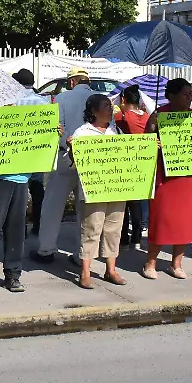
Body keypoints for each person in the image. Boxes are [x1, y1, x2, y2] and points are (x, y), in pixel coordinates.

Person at [0, 69, 49, 295]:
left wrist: (53, 132)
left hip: (21, 179)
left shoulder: (22, 115)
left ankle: (13, 274)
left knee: (16, 230)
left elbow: (40, 137)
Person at [142, 78, 192, 279]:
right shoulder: (158, 116)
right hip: (166, 178)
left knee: (185, 222)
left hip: (189, 178)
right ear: (171, 96)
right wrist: (152, 129)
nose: (189, 97)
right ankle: (151, 262)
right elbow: (144, 147)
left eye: (190, 94)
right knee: (161, 220)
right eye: (185, 94)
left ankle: (176, 263)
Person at [32, 67, 96, 263]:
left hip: (65, 156)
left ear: (71, 82)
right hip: (93, 158)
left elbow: (57, 130)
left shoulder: (61, 99)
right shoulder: (101, 99)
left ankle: (46, 250)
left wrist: (67, 144)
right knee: (85, 209)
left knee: (52, 205)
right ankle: (81, 255)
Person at [69, 94, 127, 288]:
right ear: (93, 111)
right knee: (92, 228)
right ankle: (85, 272)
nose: (110, 110)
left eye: (111, 106)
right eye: (105, 106)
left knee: (114, 228)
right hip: (93, 190)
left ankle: (111, 269)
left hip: (116, 187)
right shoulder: (82, 133)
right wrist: (72, 149)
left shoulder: (116, 130)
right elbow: (76, 163)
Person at [7, 69, 50, 237]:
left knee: (19, 193)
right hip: (38, 152)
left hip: (17, 152)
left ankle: (20, 229)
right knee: (37, 190)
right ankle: (38, 225)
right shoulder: (43, 102)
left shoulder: (12, 101)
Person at [115, 85, 150, 248]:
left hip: (124, 162)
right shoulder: (147, 117)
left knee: (122, 203)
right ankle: (137, 236)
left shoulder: (121, 117)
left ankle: (123, 237)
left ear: (123, 100)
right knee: (136, 201)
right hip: (142, 162)